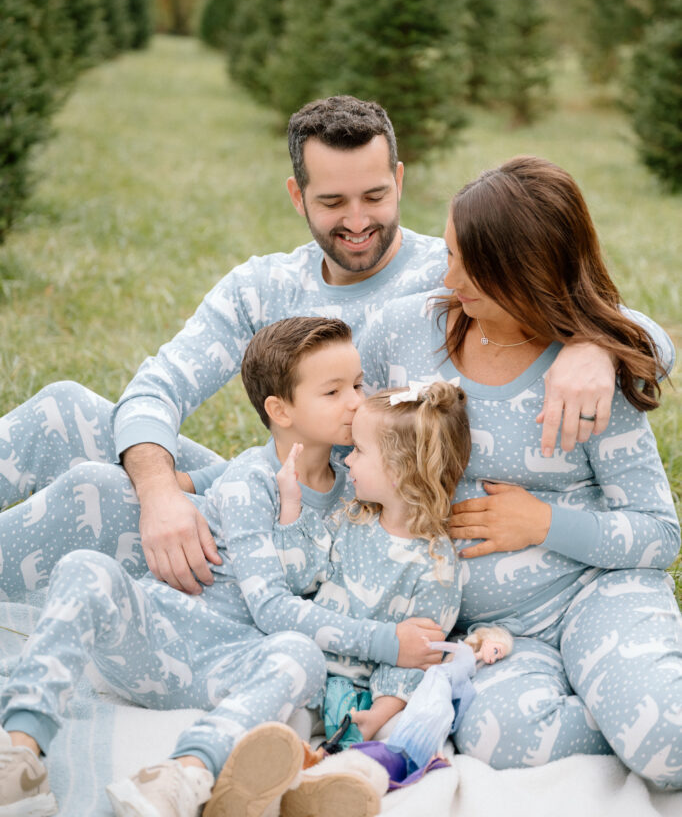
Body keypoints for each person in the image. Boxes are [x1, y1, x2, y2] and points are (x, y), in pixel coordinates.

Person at [0, 97, 654, 600]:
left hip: (333, 525)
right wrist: (161, 494)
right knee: (63, 408)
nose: (358, 221)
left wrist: (593, 347)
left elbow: (611, 320)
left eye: (375, 195)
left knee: (96, 494)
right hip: (277, 479)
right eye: (333, 201)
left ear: (399, 179)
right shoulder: (263, 287)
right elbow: (156, 389)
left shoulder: (456, 272)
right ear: (297, 196)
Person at [0, 317, 444, 817]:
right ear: (280, 410)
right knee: (87, 568)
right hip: (161, 636)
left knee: (301, 656)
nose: (356, 402)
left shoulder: (356, 480)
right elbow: (270, 605)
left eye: (359, 385)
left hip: (235, 661)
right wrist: (387, 643)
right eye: (333, 391)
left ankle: (184, 775)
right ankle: (21, 752)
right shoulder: (248, 483)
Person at [358, 155, 682, 790]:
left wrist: (541, 522)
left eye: (469, 264)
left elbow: (659, 535)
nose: (447, 276)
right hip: (495, 634)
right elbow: (338, 424)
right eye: (449, 252)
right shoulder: (404, 334)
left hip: (596, 593)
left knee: (667, 742)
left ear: (527, 269)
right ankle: (617, 702)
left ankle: (637, 700)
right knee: (496, 738)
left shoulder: (587, 378)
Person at [273, 379, 470, 746]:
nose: (346, 459)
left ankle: (352, 757)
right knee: (284, 717)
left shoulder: (436, 566)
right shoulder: (352, 518)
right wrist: (291, 505)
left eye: (358, 451)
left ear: (398, 471)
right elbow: (299, 577)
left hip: (368, 694)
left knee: (394, 731)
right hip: (308, 666)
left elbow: (421, 656)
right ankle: (282, 756)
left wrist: (378, 712)